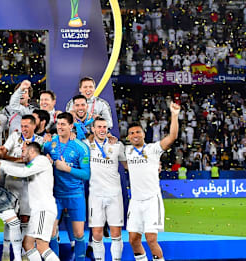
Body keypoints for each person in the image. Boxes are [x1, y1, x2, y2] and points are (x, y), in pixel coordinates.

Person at [126, 102, 181, 261]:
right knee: (133, 240)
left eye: (138, 131)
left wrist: (175, 115)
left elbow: (172, 137)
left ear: (143, 134)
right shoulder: (126, 152)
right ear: (128, 137)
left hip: (151, 200)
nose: (135, 134)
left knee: (151, 238)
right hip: (135, 201)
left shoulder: (153, 149)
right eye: (131, 133)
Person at [0, 142, 60, 261]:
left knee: (42, 246)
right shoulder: (34, 163)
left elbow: (23, 172)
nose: (22, 154)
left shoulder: (41, 160)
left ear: (32, 151)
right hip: (37, 211)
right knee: (27, 244)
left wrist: (1, 165)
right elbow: (21, 168)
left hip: (44, 210)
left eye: (24, 151)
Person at [42, 112, 90, 261]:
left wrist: (66, 168)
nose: (60, 127)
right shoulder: (50, 144)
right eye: (58, 124)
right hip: (55, 196)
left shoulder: (81, 147)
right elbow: (39, 157)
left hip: (75, 195)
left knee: (79, 234)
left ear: (71, 126)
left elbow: (86, 175)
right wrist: (45, 158)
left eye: (63, 124)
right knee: (51, 233)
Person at [0, 114, 45, 261]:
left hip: (29, 184)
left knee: (25, 218)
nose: (23, 129)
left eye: (26, 126)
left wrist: (16, 160)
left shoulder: (40, 141)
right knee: (9, 217)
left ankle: (24, 254)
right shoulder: (14, 137)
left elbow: (37, 161)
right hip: (12, 182)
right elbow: (2, 154)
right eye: (22, 126)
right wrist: (18, 159)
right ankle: (5, 252)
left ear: (33, 126)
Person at [85, 117, 126, 261]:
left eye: (105, 127)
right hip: (95, 195)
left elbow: (128, 165)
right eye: (99, 127)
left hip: (115, 195)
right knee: (96, 233)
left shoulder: (117, 146)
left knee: (116, 233)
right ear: (93, 129)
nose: (102, 130)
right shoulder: (86, 145)